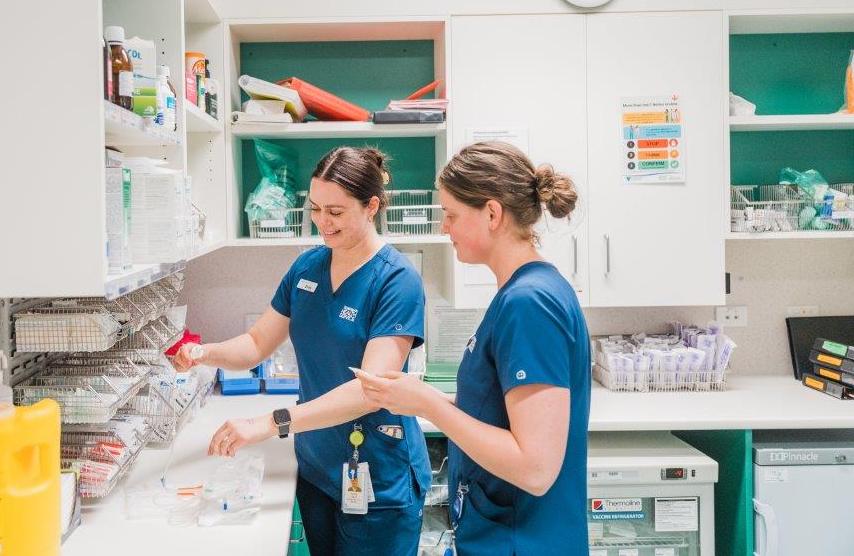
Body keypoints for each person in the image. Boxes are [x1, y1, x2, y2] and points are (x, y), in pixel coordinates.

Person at [172, 146, 430, 556]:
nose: (322, 222)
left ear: (372, 207)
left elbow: (370, 390)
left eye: (336, 211)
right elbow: (257, 343)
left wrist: (270, 423)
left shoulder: (396, 281)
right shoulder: (307, 268)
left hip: (378, 473)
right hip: (317, 466)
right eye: (315, 208)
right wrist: (205, 353)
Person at [354, 141, 591, 556]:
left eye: (451, 215)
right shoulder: (524, 291)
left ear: (493, 214)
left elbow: (535, 468)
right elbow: (500, 405)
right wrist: (418, 398)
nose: (444, 227)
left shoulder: (528, 303)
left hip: (523, 541)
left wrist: (429, 406)